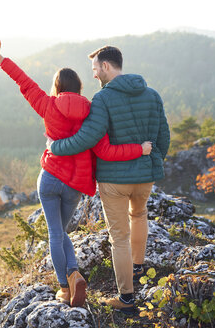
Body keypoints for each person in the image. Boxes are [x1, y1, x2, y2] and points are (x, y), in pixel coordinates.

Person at [0, 40, 153, 308]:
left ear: (57, 87)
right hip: (75, 185)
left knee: (56, 233)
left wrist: (0, 59)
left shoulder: (47, 105)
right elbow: (103, 146)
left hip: (51, 177)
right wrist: (137, 149)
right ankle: (73, 274)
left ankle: (66, 286)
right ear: (79, 88)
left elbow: (25, 82)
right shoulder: (92, 110)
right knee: (61, 230)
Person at [48, 45, 170, 314]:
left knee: (119, 238)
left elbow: (88, 138)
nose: (93, 76)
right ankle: (137, 268)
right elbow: (164, 137)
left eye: (94, 69)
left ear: (105, 66)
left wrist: (55, 147)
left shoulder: (102, 99)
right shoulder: (152, 95)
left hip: (114, 181)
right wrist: (153, 161)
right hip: (145, 176)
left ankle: (126, 299)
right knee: (139, 215)